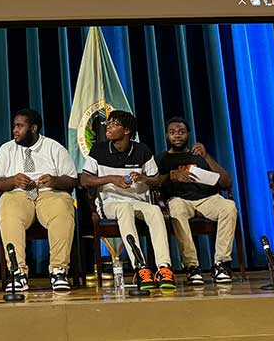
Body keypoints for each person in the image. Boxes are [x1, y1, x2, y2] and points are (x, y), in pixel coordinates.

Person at [80, 110, 175, 291]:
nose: (108, 126)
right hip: (110, 203)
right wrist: (111, 179)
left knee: (155, 211)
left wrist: (143, 178)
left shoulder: (142, 150)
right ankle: (140, 268)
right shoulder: (99, 150)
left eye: (114, 124)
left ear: (126, 131)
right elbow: (84, 180)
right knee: (124, 209)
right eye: (108, 123)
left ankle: (164, 268)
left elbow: (156, 181)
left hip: (138, 201)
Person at [0, 108, 78, 292]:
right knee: (7, 208)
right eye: (14, 126)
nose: (15, 130)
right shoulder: (6, 149)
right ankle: (18, 273)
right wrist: (13, 180)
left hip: (49, 193)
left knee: (63, 207)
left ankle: (59, 271)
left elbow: (71, 179)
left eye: (20, 126)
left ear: (34, 128)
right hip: (18, 194)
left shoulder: (53, 147)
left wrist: (54, 180)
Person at [151, 117, 237, 285]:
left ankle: (221, 263)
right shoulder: (162, 159)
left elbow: (227, 182)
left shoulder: (200, 156)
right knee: (176, 208)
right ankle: (192, 267)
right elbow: (154, 183)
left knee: (229, 206)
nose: (177, 136)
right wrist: (171, 176)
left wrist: (207, 157)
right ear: (167, 136)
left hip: (207, 199)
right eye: (173, 133)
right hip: (180, 200)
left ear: (188, 134)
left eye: (181, 132)